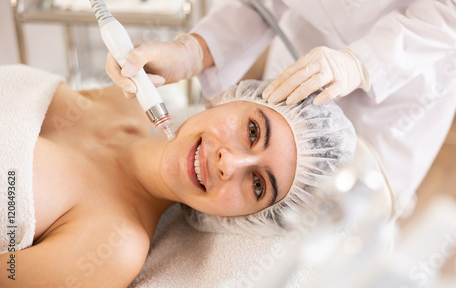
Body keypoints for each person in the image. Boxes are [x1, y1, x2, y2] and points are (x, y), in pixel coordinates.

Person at [106, 0, 456, 210]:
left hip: (409, 65)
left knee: (364, 207)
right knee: (286, 184)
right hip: (305, 49)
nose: (228, 161)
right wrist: (195, 50)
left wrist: (364, 63)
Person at [0, 65, 355, 287]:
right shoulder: (123, 98)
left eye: (258, 184)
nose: (228, 164)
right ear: (229, 99)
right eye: (252, 131)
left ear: (247, 219)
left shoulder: (114, 248)